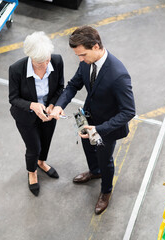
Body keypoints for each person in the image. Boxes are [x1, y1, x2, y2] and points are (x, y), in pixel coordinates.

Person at [51, 26, 135, 214]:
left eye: (82, 55)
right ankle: (94, 172)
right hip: (87, 117)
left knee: (105, 160)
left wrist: (100, 129)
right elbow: (73, 85)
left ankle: (106, 191)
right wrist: (59, 106)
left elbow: (129, 111)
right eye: (78, 56)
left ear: (96, 46)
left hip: (106, 126)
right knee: (88, 149)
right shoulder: (86, 62)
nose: (80, 60)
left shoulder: (118, 75)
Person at [8, 31, 64, 196]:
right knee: (34, 147)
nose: (46, 65)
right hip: (26, 116)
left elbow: (60, 87)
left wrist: (52, 104)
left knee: (46, 141)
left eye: (47, 60)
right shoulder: (16, 70)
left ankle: (41, 162)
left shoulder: (57, 60)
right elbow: (13, 98)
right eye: (40, 63)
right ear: (30, 57)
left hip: (49, 113)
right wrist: (33, 105)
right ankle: (32, 171)